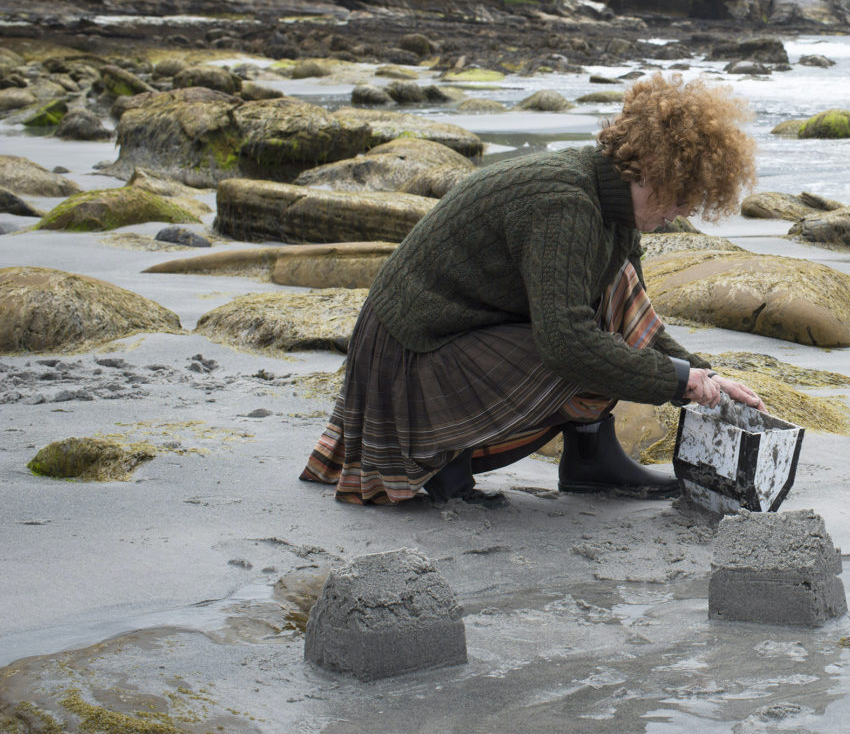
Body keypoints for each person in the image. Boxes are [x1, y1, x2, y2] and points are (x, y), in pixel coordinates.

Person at [299, 73, 764, 507]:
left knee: (617, 289)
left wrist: (706, 377)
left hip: (462, 333)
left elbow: (639, 325)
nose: (681, 211)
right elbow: (568, 344)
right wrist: (676, 381)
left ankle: (591, 458)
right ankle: (444, 457)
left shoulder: (615, 211)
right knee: (581, 350)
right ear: (649, 165)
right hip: (409, 355)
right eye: (682, 195)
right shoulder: (564, 204)